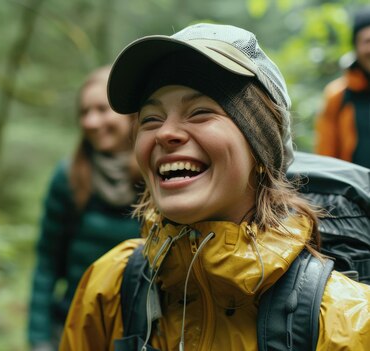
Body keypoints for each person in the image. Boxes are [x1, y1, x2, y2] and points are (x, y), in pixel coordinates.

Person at [59, 23, 370, 351]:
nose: (165, 133)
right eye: (151, 118)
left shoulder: (345, 323)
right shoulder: (110, 289)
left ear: (260, 146)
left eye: (200, 112)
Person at [27, 66, 142, 351]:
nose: (91, 121)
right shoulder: (68, 176)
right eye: (84, 112)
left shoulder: (157, 174)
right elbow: (47, 262)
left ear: (129, 113)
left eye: (102, 109)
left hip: (137, 332)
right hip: (72, 327)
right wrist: (39, 339)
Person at [315, 7, 370, 167]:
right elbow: (326, 159)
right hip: (355, 190)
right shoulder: (338, 96)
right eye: (367, 41)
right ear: (355, 47)